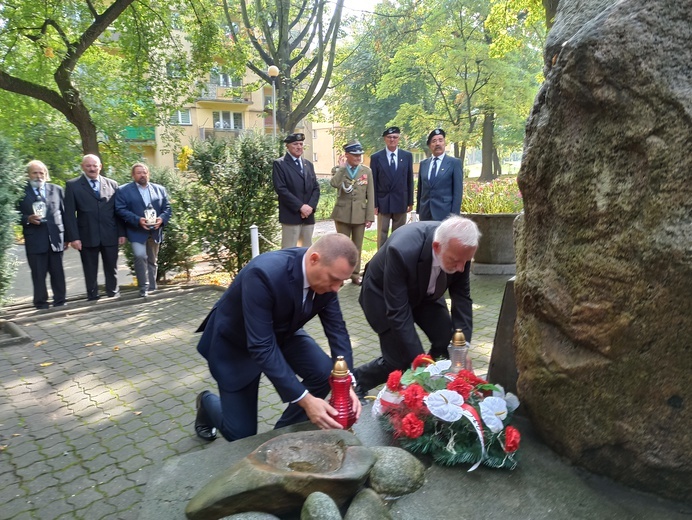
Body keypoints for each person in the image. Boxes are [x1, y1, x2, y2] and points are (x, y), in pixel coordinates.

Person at [194, 233, 363, 442]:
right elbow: (261, 346)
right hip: (236, 345)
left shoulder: (327, 280)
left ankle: (281, 433)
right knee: (240, 435)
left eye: (342, 282)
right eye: (334, 280)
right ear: (314, 259)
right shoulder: (263, 273)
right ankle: (206, 403)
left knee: (323, 373)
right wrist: (306, 400)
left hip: (283, 333)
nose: (336, 289)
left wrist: (346, 386)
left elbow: (337, 331)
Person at [353, 216, 480, 401]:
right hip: (381, 295)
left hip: (425, 293)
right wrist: (420, 362)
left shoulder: (460, 251)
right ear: (437, 247)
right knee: (401, 358)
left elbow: (462, 298)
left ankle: (435, 384)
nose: (461, 268)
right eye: (455, 261)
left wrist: (462, 348)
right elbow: (398, 312)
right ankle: (357, 381)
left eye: (465, 262)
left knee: (447, 342)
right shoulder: (401, 250)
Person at [64, 154, 126, 301]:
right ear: (82, 167)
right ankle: (92, 296)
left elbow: (118, 211)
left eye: (95, 165)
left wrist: (121, 232)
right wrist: (74, 237)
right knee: (90, 269)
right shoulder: (73, 186)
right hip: (86, 235)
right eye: (88, 166)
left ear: (100, 166)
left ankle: (113, 293)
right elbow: (69, 215)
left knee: (112, 267)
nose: (92, 168)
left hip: (110, 234)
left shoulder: (112, 184)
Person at [115, 163, 172, 297]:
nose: (142, 175)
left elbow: (167, 208)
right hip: (136, 231)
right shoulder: (123, 190)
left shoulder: (160, 189)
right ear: (133, 175)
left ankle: (152, 288)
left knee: (152, 260)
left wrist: (162, 219)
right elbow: (120, 209)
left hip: (155, 231)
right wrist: (137, 220)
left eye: (145, 172)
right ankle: (143, 288)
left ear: (148, 174)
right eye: (139, 172)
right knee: (140, 256)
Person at [18, 160, 67, 309]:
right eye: (35, 173)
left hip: (56, 238)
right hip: (35, 239)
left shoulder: (57, 189)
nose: (39, 176)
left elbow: (65, 215)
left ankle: (60, 301)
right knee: (38, 274)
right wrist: (27, 219)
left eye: (41, 173)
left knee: (58, 273)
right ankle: (41, 303)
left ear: (46, 174)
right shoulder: (20, 192)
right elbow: (13, 214)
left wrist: (69, 238)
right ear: (28, 175)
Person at [330, 141, 375, 286]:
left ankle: (355, 274)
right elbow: (334, 184)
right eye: (355, 155)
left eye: (359, 155)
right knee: (342, 247)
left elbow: (371, 194)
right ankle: (341, 275)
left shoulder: (366, 171)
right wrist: (342, 169)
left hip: (360, 215)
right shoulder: (339, 169)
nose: (358, 157)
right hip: (342, 214)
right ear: (347, 155)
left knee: (357, 246)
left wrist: (369, 217)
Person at [272, 132, 320, 248]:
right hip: (291, 216)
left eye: (301, 144)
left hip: (308, 217)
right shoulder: (280, 164)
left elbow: (316, 188)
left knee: (306, 252)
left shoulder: (308, 164)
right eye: (295, 144)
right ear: (287, 146)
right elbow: (281, 189)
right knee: (289, 252)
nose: (299, 147)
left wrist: (310, 207)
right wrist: (300, 207)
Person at [369, 126, 414, 248]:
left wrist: (410, 201)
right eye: (389, 137)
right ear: (385, 139)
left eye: (395, 137)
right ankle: (381, 260)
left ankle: (397, 258)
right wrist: (374, 204)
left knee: (399, 234)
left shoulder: (407, 156)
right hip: (383, 201)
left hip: (401, 200)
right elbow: (373, 182)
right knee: (382, 235)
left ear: (399, 139)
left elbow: (409, 180)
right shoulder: (376, 157)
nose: (392, 140)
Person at [416, 128, 463, 221]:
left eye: (440, 140)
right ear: (430, 145)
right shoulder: (424, 164)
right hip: (425, 213)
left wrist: (454, 216)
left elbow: (458, 192)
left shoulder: (454, 163)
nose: (437, 144)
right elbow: (421, 189)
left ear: (444, 143)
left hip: (444, 214)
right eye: (434, 141)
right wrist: (419, 210)